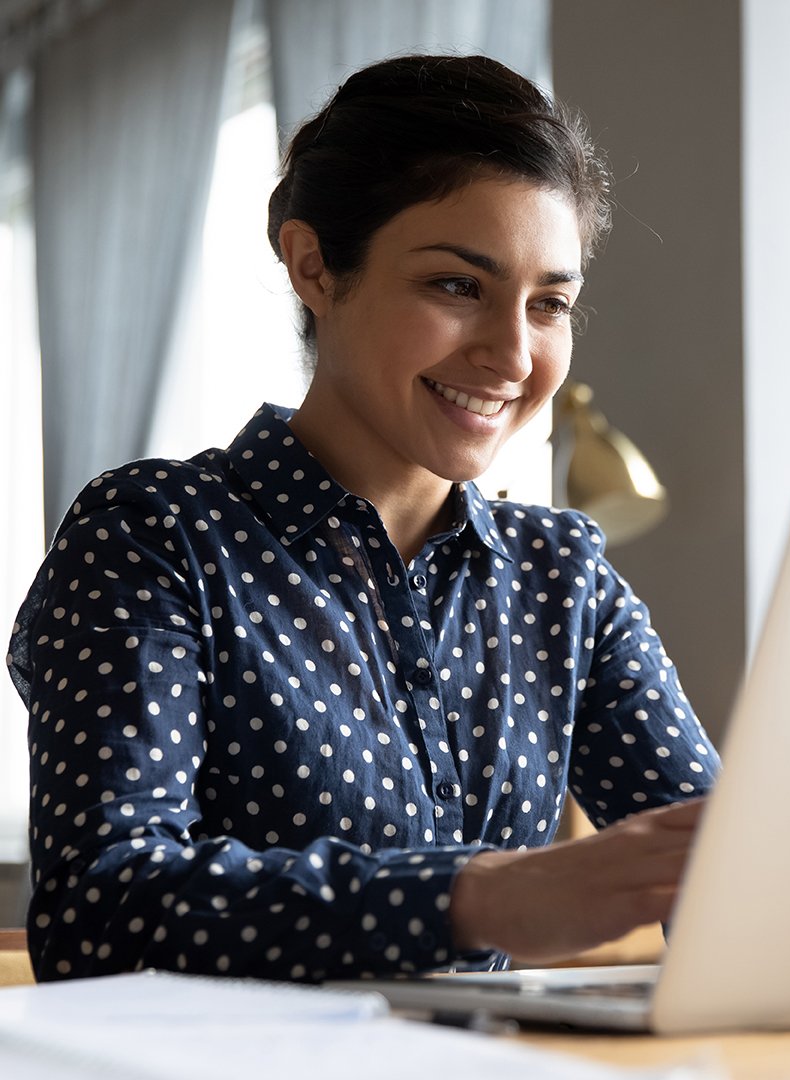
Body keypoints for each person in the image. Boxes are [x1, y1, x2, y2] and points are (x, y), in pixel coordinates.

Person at [8, 54, 719, 983]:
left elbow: (720, 871)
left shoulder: (562, 576)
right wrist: (480, 897)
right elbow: (97, 908)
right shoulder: (154, 535)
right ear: (314, 266)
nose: (512, 354)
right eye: (457, 286)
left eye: (549, 303)